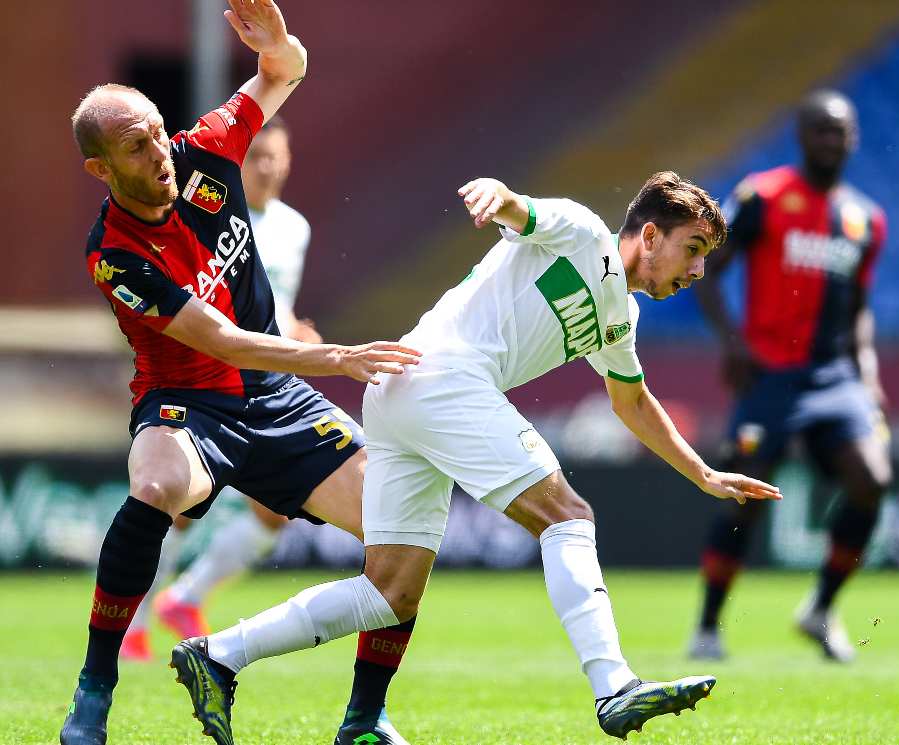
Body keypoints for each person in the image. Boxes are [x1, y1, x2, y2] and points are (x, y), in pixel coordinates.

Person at [169, 172, 782, 742]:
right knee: (567, 516)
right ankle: (613, 685)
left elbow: (633, 402)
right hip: (442, 378)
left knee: (389, 593)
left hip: (402, 387)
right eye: (693, 248)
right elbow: (522, 210)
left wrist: (702, 473)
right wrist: (497, 194)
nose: (699, 269)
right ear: (650, 235)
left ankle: (219, 656)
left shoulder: (620, 315)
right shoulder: (586, 233)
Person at [59, 2, 422, 744]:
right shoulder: (114, 253)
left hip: (276, 395)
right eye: (136, 147)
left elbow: (285, 73)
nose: (159, 152)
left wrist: (279, 46)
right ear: (101, 168)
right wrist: (336, 357)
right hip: (187, 401)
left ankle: (362, 716)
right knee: (155, 486)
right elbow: (221, 340)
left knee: (406, 532)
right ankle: (95, 687)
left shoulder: (206, 151)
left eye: (159, 132)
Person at [689, 89, 891, 663]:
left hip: (834, 379)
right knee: (743, 493)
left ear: (853, 139)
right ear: (802, 136)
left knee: (871, 479)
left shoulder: (866, 220)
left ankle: (821, 609)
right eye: (821, 130)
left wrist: (869, 375)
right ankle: (707, 626)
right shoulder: (762, 196)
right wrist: (731, 342)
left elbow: (859, 309)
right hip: (771, 373)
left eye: (841, 131)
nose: (832, 140)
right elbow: (707, 270)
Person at [120, 116, 320, 660]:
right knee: (180, 506)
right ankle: (133, 621)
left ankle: (186, 596)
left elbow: (275, 299)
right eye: (256, 157)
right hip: (206, 378)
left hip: (264, 376)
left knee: (273, 515)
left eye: (276, 156)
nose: (268, 167)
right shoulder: (210, 212)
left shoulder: (295, 228)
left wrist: (296, 330)